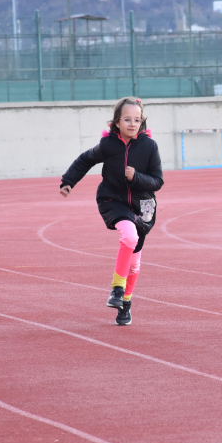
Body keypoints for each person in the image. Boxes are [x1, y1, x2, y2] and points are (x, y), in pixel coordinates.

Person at [59, 97, 163, 326]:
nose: (132, 124)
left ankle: (125, 302)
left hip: (142, 207)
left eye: (137, 119)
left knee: (135, 263)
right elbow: (85, 160)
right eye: (127, 119)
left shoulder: (149, 147)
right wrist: (68, 181)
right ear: (117, 122)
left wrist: (136, 177)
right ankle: (117, 289)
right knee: (128, 236)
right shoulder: (108, 146)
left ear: (142, 122)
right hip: (112, 200)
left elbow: (157, 181)